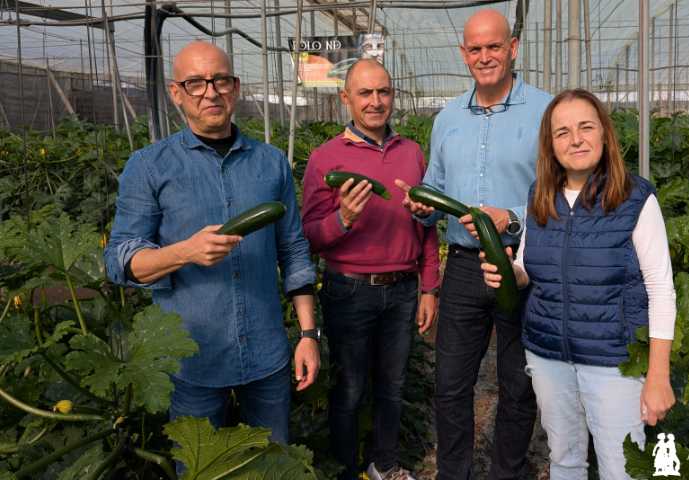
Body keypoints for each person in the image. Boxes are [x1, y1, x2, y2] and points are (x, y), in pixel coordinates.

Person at [104, 41, 320, 444]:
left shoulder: (271, 162)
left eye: (220, 80)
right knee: (200, 469)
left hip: (266, 354)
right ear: (176, 93)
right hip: (193, 362)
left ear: (235, 87)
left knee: (271, 463)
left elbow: (293, 251)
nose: (210, 91)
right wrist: (184, 251)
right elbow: (119, 260)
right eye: (196, 83)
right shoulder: (149, 166)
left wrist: (308, 335)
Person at [480, 89, 676, 480]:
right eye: (563, 132)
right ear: (550, 145)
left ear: (604, 133)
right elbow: (526, 268)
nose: (576, 139)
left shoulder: (635, 198)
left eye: (586, 127)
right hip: (549, 355)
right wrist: (506, 271)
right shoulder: (540, 195)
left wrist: (658, 375)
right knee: (564, 460)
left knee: (621, 468)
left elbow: (661, 289)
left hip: (613, 362)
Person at [397, 9, 552, 480]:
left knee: (518, 385)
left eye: (494, 46)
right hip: (464, 263)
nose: (485, 56)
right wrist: (422, 205)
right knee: (450, 384)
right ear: (463, 54)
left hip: (523, 263)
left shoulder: (546, 111)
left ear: (513, 48)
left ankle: (509, 471)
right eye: (475, 49)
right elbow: (435, 183)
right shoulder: (447, 118)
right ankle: (454, 472)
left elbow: (563, 196)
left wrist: (517, 217)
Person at [302, 58, 440, 480]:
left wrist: (430, 287)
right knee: (349, 388)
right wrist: (342, 218)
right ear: (346, 98)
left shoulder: (413, 152)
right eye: (365, 93)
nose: (376, 101)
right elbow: (310, 235)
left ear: (392, 95)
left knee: (392, 386)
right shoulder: (325, 158)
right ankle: (346, 468)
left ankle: (384, 465)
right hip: (349, 291)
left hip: (401, 290)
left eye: (383, 92)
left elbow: (428, 224)